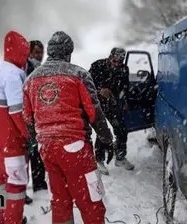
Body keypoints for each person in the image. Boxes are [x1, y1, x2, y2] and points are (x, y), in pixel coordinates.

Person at [23, 31, 113, 224]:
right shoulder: (78, 74)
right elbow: (94, 112)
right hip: (75, 148)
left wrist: (38, 140)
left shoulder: (30, 79)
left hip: (47, 149)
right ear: (68, 53)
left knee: (60, 200)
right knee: (91, 200)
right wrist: (106, 137)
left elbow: (28, 118)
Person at [0, 30, 30, 224]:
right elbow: (17, 110)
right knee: (17, 180)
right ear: (20, 52)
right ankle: (12, 220)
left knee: (2, 176)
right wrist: (27, 134)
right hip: (11, 137)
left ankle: (3, 216)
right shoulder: (13, 74)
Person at [89, 47, 135, 175]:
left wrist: (125, 101)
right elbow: (86, 85)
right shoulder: (97, 65)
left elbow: (125, 87)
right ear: (110, 57)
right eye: (115, 61)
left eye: (119, 62)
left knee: (121, 128)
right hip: (97, 104)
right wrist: (99, 90)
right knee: (102, 130)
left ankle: (120, 157)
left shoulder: (124, 69)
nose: (117, 65)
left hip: (114, 104)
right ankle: (99, 160)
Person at [25, 40, 48, 193]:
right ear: (29, 52)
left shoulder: (38, 67)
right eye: (36, 52)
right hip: (31, 115)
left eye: (41, 52)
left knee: (35, 149)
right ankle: (38, 183)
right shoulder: (29, 68)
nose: (39, 55)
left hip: (36, 115)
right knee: (34, 149)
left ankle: (37, 181)